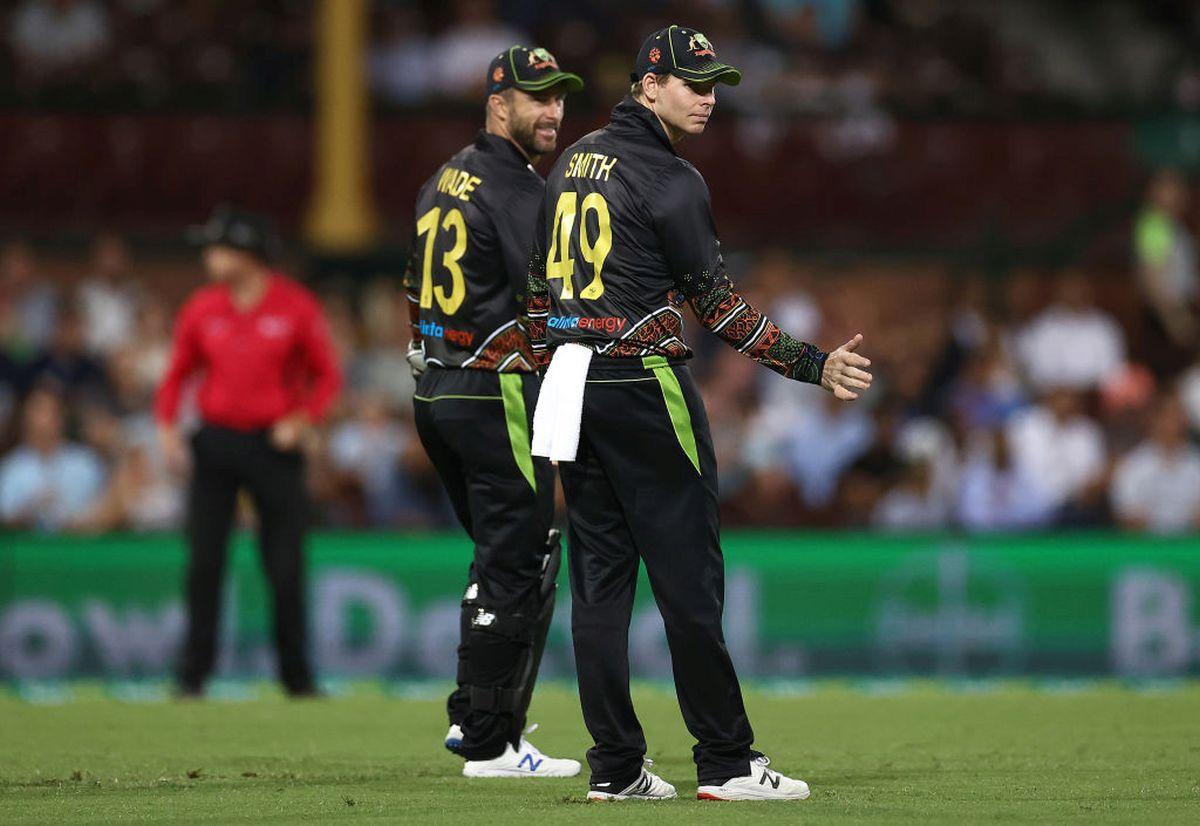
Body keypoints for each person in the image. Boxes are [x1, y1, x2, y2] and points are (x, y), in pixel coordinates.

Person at [527, 25, 872, 802]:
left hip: (570, 384)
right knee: (688, 582)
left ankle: (615, 768)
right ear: (647, 86)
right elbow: (718, 309)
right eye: (693, 82)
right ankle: (726, 762)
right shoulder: (673, 179)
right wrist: (814, 365)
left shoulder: (571, 162)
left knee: (600, 585)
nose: (709, 97)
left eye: (714, 82)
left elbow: (534, 290)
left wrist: (553, 360)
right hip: (642, 386)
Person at [403, 46, 583, 778]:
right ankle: (487, 738)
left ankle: (484, 720)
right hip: (494, 387)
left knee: (501, 556)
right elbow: (548, 303)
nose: (553, 111)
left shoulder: (440, 180)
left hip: (436, 387)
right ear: (496, 103)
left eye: (560, 98)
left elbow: (410, 292)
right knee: (523, 557)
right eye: (537, 98)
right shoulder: (519, 192)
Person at [154, 206, 341, 698]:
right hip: (216, 442)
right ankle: (192, 676)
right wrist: (168, 429)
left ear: (247, 254)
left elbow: (326, 376)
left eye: (218, 248)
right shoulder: (201, 307)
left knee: (284, 564)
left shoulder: (295, 307)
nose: (209, 257)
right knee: (204, 562)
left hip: (273, 444)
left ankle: (296, 678)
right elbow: (177, 375)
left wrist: (302, 420)